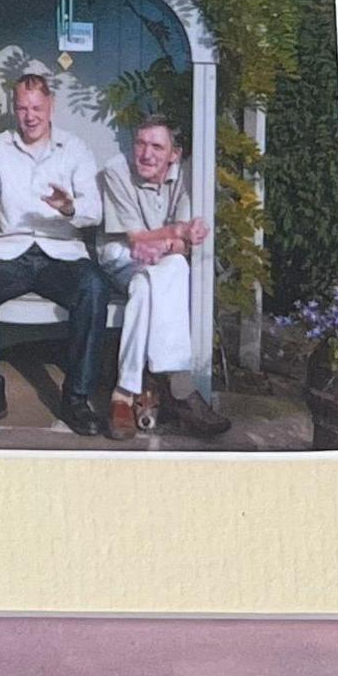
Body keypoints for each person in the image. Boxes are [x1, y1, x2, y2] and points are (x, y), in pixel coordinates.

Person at [0, 56, 109, 437]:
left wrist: (69, 207)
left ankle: (76, 398)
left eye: (37, 108)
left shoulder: (73, 149)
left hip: (61, 253)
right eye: (22, 108)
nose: (29, 116)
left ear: (51, 107)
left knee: (93, 287)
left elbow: (93, 211)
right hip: (10, 252)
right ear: (15, 109)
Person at [100, 114, 231, 444]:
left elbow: (184, 242)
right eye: (141, 144)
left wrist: (170, 243)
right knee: (151, 278)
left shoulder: (187, 176)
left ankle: (124, 394)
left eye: (157, 146)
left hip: (161, 260)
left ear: (174, 153)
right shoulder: (115, 171)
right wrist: (172, 235)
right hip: (121, 255)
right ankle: (180, 388)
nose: (146, 154)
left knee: (164, 274)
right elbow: (135, 238)